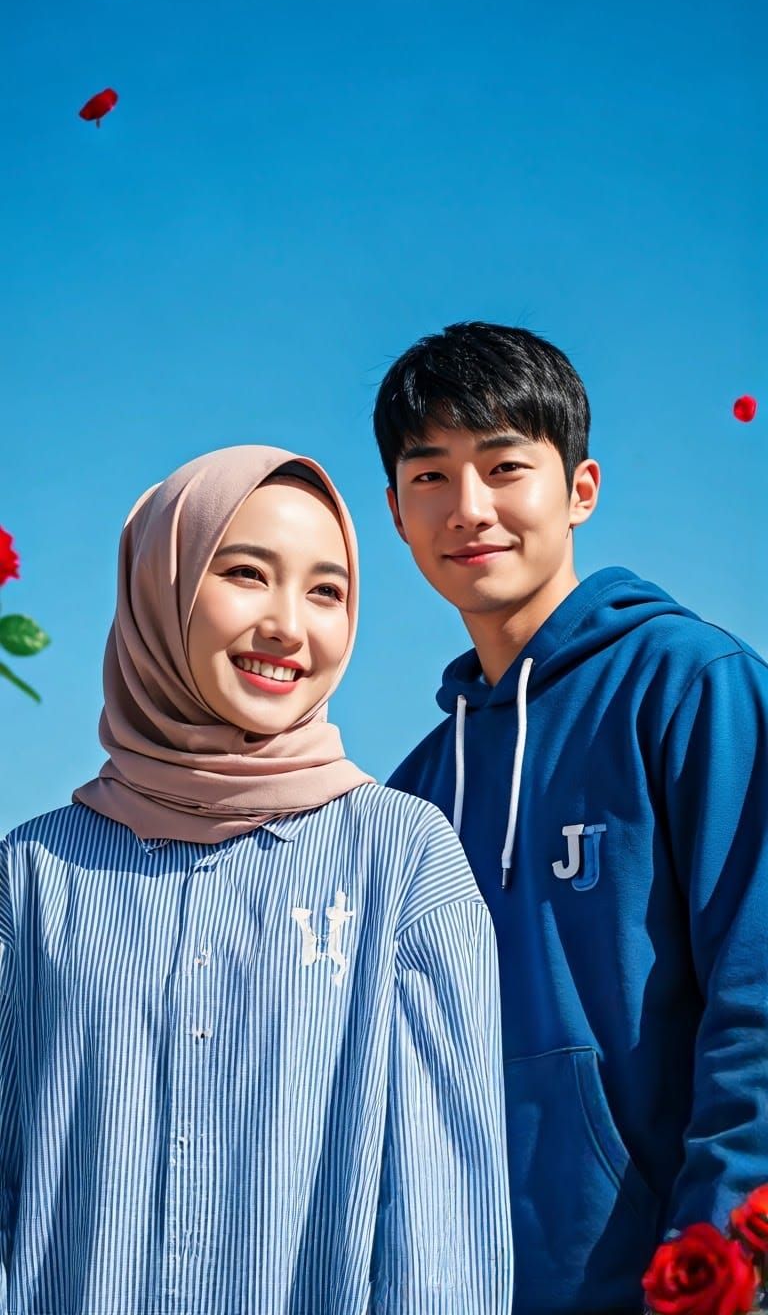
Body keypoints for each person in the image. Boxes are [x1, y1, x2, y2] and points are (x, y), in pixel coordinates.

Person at [0, 445, 513, 1315]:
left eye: (326, 591)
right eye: (245, 573)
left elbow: (444, 1237)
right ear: (160, 586)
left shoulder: (402, 860)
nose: (288, 625)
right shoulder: (32, 877)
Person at [373, 321, 768, 1315]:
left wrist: (719, 1271)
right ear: (396, 512)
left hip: (670, 1284)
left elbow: (758, 1000)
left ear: (580, 488)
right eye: (431, 475)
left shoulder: (694, 687)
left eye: (505, 466)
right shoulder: (410, 795)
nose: (469, 508)